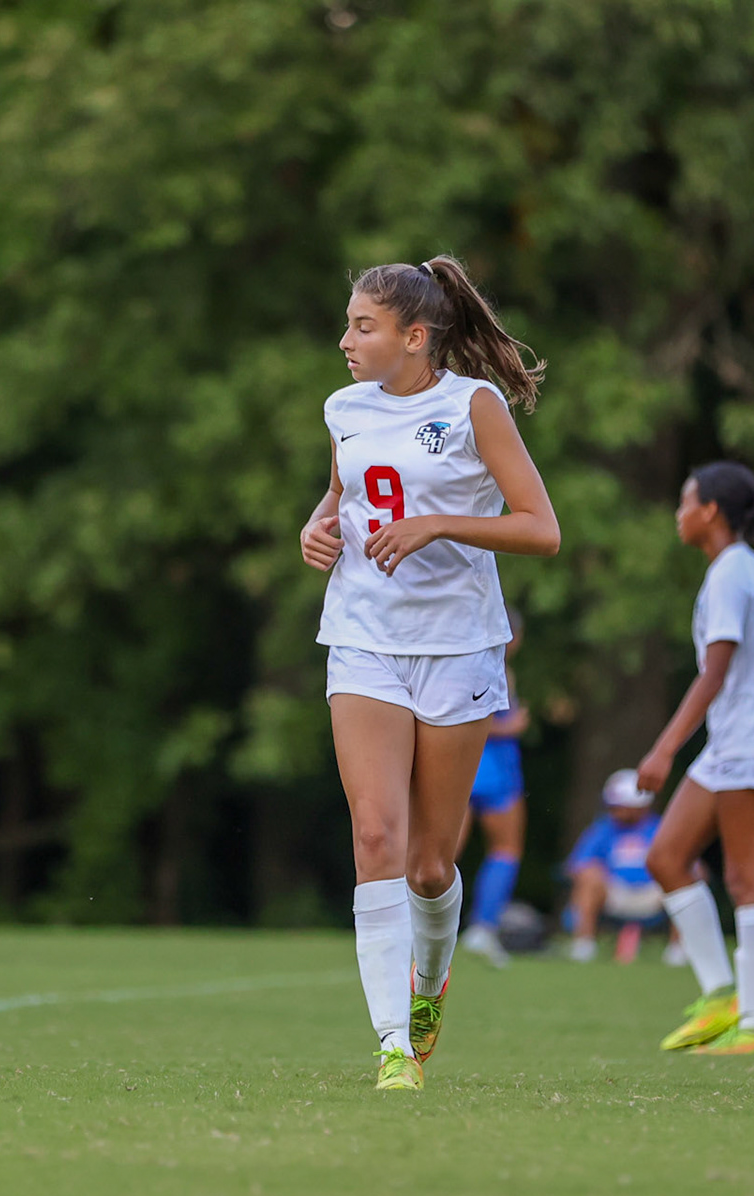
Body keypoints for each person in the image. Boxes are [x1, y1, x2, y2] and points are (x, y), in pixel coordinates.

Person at [299, 256, 561, 1091]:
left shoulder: (473, 406)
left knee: (430, 866)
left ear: (415, 338)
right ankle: (392, 1049)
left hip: (457, 649)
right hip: (363, 639)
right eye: (347, 324)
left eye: (362, 327)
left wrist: (436, 525)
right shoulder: (343, 408)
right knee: (375, 838)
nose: (345, 341)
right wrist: (317, 528)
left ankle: (430, 984)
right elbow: (340, 498)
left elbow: (541, 530)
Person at [637, 461, 754, 1058]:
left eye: (685, 501)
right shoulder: (744, 570)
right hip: (741, 741)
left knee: (745, 878)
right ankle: (721, 996)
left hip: (751, 741)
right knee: (665, 857)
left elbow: (714, 672)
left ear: (710, 511)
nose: (679, 512)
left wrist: (664, 749)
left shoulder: (732, 574)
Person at [458, 610, 529, 969]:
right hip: (489, 769)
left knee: (445, 850)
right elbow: (470, 719)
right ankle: (483, 928)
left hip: (470, 767)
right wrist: (512, 726)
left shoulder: (470, 660)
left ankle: (423, 924)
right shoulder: (491, 665)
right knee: (505, 848)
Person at [562, 769, 678, 964]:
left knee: (683, 876)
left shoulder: (662, 828)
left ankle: (678, 950)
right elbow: (577, 865)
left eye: (620, 806)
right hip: (615, 892)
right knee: (589, 875)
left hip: (655, 893)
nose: (614, 811)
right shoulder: (602, 829)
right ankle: (584, 946)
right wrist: (591, 873)